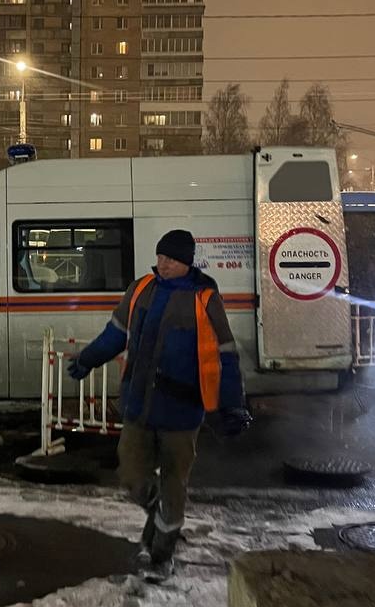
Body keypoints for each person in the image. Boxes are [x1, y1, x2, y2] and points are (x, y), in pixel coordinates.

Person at [68, 229, 251, 581]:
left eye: (172, 259)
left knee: (174, 484)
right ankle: (158, 514)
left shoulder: (205, 298)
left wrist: (231, 404)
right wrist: (89, 359)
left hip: (181, 413)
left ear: (187, 262)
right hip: (138, 405)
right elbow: (115, 334)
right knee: (132, 476)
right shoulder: (141, 290)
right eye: (161, 257)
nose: (163, 264)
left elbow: (225, 356)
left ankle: (161, 555)